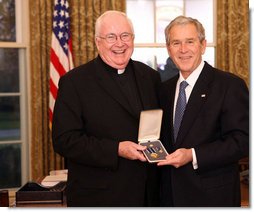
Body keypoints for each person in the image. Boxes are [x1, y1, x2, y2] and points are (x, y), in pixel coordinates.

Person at [52, 10, 161, 207]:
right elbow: (64, 141)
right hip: (99, 197)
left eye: (125, 36)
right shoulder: (75, 82)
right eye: (111, 37)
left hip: (147, 194)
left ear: (133, 39)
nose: (120, 43)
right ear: (97, 41)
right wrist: (116, 149)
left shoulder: (150, 77)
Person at [158, 15, 249, 207]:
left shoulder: (229, 85)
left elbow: (242, 141)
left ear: (203, 45)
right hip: (169, 197)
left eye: (190, 41)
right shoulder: (163, 90)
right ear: (168, 49)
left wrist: (193, 155)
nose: (183, 50)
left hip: (212, 198)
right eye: (176, 43)